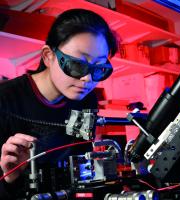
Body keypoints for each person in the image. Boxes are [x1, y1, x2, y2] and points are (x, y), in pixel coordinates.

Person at [0, 8, 118, 199]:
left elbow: (83, 163)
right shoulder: (5, 99)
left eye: (99, 68)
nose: (87, 79)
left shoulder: (86, 101)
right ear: (48, 56)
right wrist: (9, 178)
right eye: (77, 64)